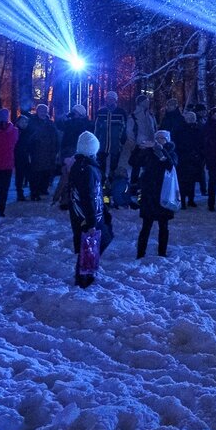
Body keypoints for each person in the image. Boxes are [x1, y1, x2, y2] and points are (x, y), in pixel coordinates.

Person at [68, 131, 112, 286]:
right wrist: (91, 221)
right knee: (89, 245)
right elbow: (88, 196)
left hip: (89, 214)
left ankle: (85, 276)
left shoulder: (82, 166)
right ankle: (84, 280)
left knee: (91, 245)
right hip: (88, 216)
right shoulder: (86, 169)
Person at [137, 129, 178, 258]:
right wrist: (139, 149)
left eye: (162, 138)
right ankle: (140, 253)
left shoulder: (170, 152)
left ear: (167, 140)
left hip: (163, 194)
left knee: (163, 226)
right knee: (146, 226)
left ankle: (162, 252)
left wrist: (160, 149)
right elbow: (134, 162)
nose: (159, 140)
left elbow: (170, 164)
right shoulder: (149, 152)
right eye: (158, 138)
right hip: (149, 194)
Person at [27, 105, 61, 202]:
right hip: (37, 152)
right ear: (37, 111)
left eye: (45, 111)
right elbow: (29, 137)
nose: (43, 112)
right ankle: (35, 192)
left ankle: (43, 189)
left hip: (49, 152)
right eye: (41, 110)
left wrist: (56, 149)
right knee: (36, 173)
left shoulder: (50, 123)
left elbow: (56, 136)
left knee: (46, 172)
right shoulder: (32, 122)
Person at [125, 94, 157, 191]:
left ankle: (147, 187)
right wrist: (134, 144)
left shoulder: (150, 115)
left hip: (150, 145)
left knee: (149, 167)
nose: (148, 102)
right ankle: (134, 188)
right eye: (146, 101)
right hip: (139, 145)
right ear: (140, 102)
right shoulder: (133, 116)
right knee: (136, 168)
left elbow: (154, 128)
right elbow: (129, 131)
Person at [94, 91, 128, 181]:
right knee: (101, 163)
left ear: (115, 100)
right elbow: (97, 127)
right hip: (102, 143)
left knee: (114, 164)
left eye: (112, 99)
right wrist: (96, 139)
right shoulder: (101, 112)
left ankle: (111, 181)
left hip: (116, 143)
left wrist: (122, 139)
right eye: (108, 99)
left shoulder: (121, 112)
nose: (110, 101)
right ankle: (102, 181)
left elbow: (125, 126)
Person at [176, 111, 205, 208]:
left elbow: (201, 142)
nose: (190, 120)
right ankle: (183, 200)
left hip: (194, 158)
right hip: (183, 158)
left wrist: (198, 153)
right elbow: (178, 143)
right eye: (188, 118)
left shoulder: (197, 129)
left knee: (192, 180)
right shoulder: (180, 129)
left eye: (192, 118)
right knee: (183, 181)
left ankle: (191, 199)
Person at [13, 115, 33, 201]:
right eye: (22, 122)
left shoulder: (28, 132)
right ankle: (19, 193)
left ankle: (33, 192)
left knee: (30, 175)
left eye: (26, 122)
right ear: (18, 122)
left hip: (27, 156)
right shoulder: (15, 131)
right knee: (20, 176)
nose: (24, 124)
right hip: (18, 156)